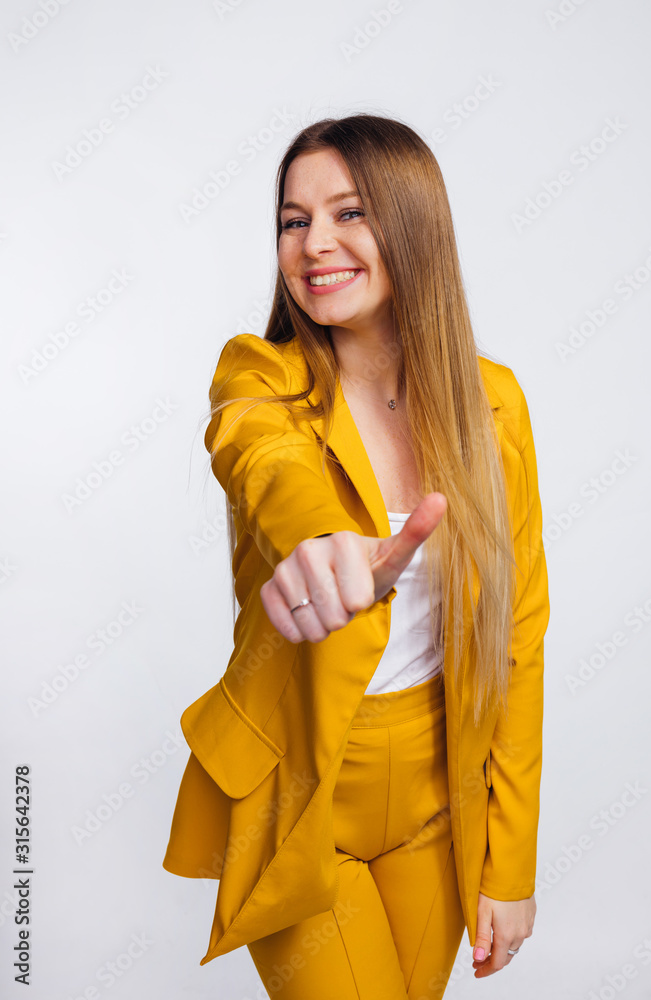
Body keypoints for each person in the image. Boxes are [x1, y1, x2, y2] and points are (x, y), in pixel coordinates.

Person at [162, 113, 550, 999]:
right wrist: (318, 540)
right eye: (293, 220)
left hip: (436, 799)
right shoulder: (258, 378)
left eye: (349, 213)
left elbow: (517, 635)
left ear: (412, 224)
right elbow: (263, 461)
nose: (313, 244)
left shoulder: (495, 405)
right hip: (299, 793)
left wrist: (509, 860)